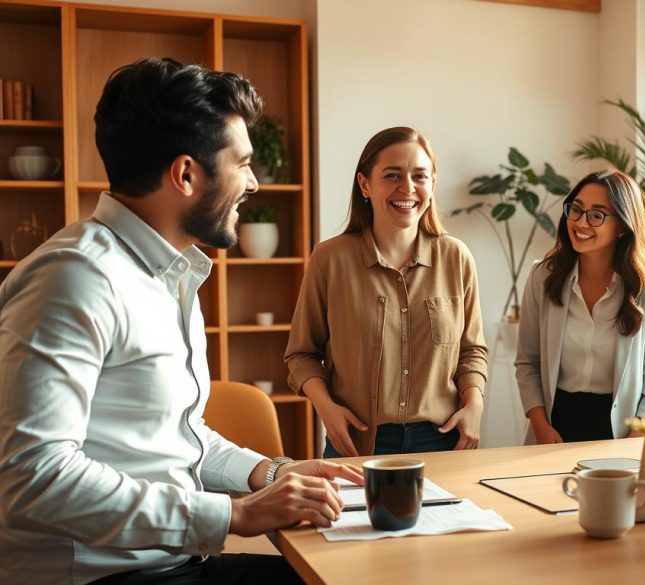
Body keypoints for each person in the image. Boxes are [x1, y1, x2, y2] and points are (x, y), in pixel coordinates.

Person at [0, 58, 362, 585]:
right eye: (242, 164)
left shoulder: (172, 272)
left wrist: (274, 472)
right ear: (187, 174)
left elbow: (178, 437)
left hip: (172, 561)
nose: (254, 184)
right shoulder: (75, 279)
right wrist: (237, 515)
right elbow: (33, 479)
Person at [285, 127, 487, 458]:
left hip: (443, 441)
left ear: (432, 184)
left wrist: (474, 403)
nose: (407, 188)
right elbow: (301, 354)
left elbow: (471, 350)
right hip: (357, 442)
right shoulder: (329, 259)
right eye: (392, 175)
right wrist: (326, 408)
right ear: (365, 184)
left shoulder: (456, 257)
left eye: (420, 176)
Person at [516, 170, 645, 443]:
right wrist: (540, 426)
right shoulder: (542, 276)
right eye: (575, 210)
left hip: (620, 429)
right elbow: (527, 362)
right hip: (554, 424)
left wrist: (634, 438)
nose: (580, 222)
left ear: (623, 226)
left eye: (597, 215)